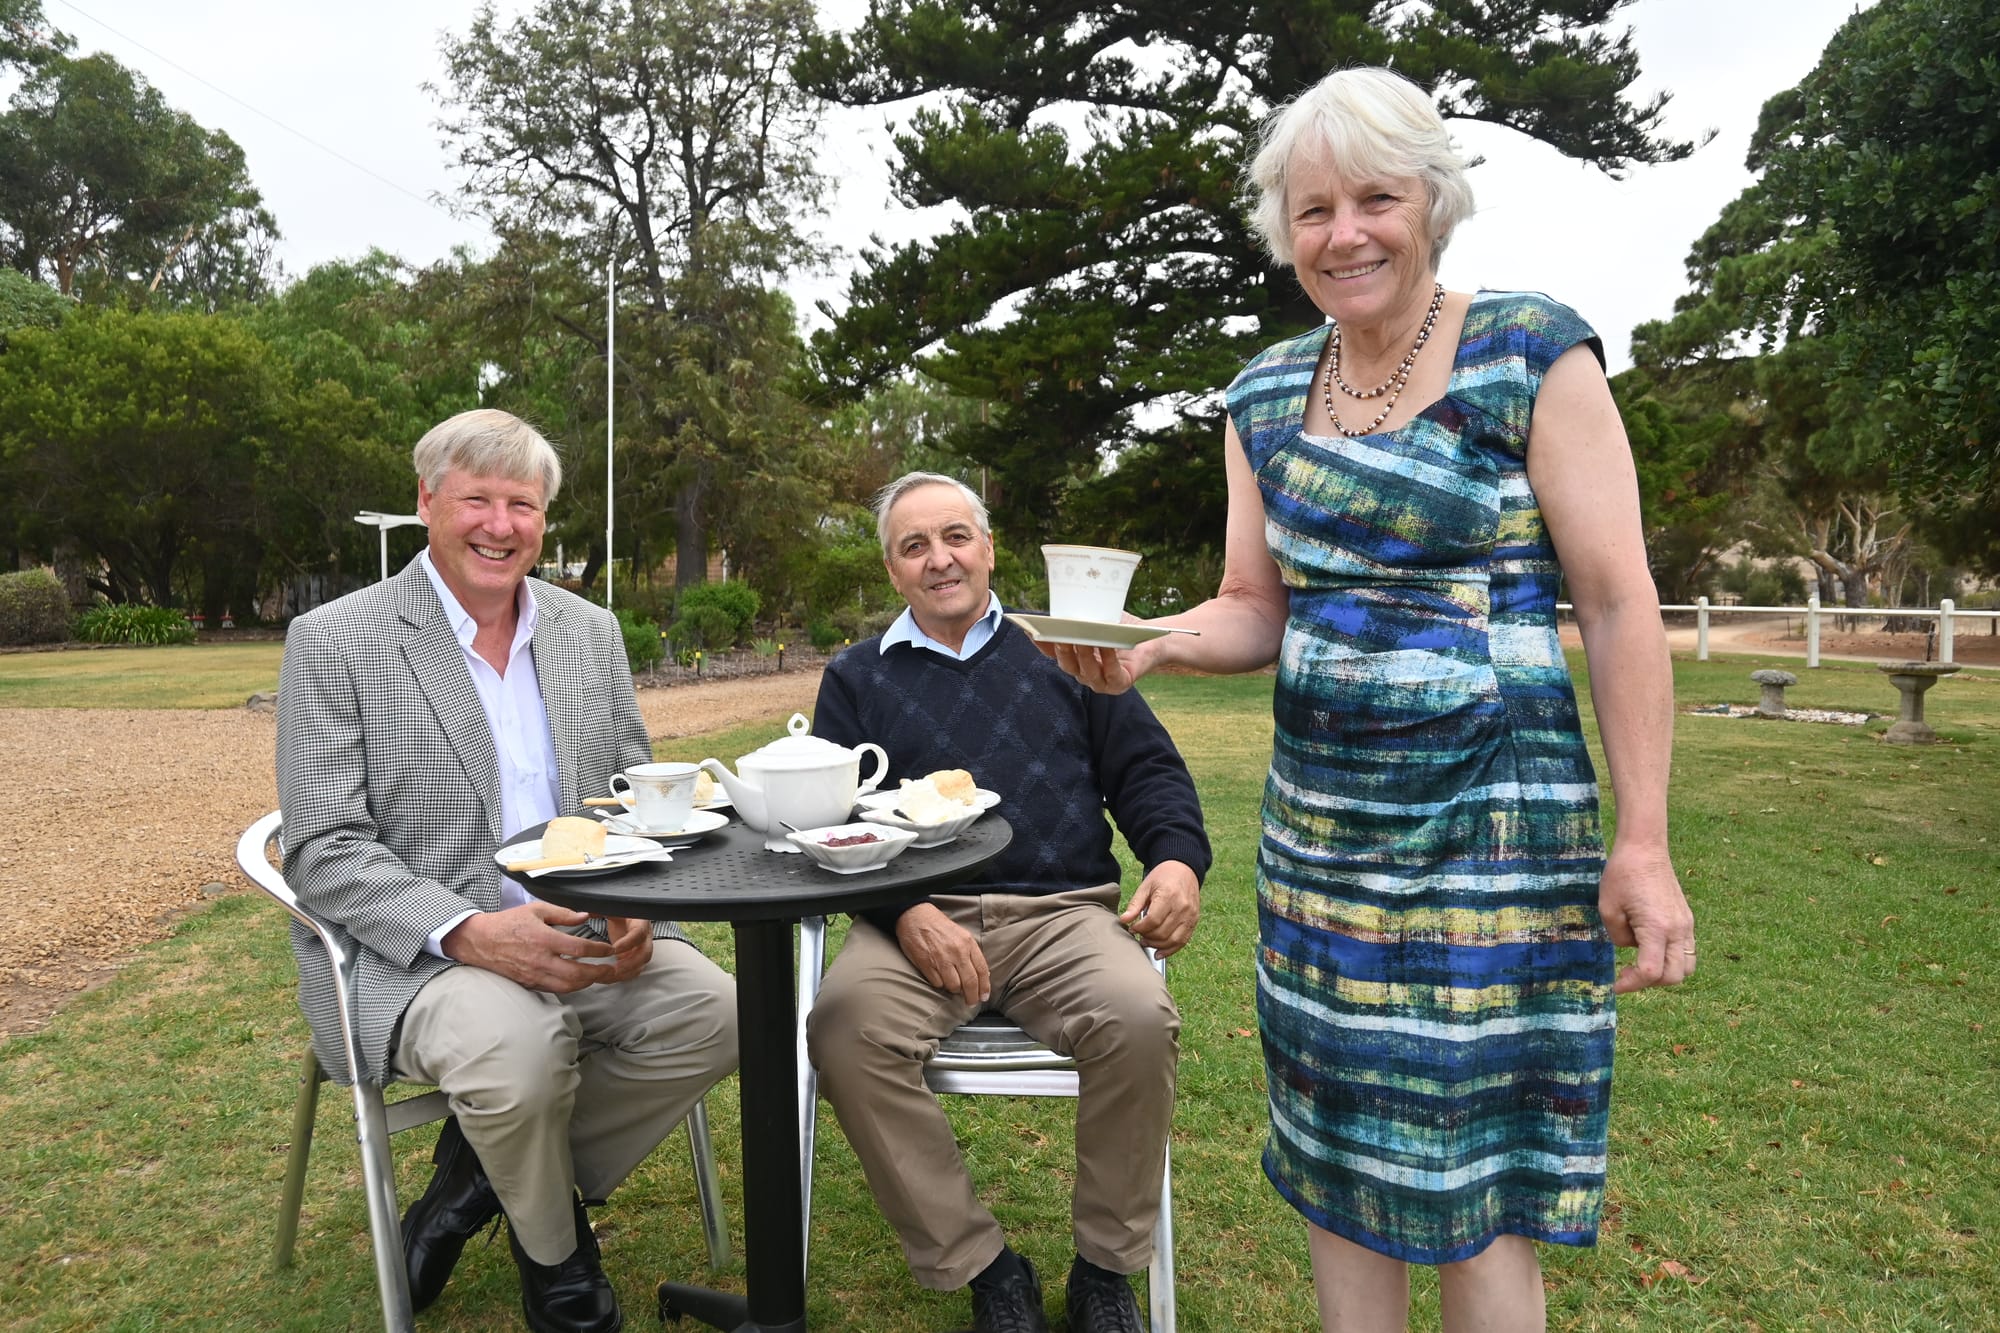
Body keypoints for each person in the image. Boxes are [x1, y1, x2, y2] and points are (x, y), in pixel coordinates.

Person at [1040, 68, 1696, 1333]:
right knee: (1341, 1172)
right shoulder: (1263, 395)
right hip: (1322, 852)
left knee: (1475, 1191)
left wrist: (1644, 841)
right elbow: (1254, 601)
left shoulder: (1528, 351)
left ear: (1432, 203)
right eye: (1311, 210)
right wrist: (1153, 643)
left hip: (1493, 848)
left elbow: (1617, 606)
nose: (1343, 234)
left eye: (1374, 200)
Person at [275, 408, 738, 1333]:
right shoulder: (336, 638)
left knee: (729, 1013)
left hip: (584, 931)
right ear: (426, 501)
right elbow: (323, 846)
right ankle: (559, 1263)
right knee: (518, 1055)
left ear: (543, 516)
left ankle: (475, 1177)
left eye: (520, 503)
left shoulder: (588, 630)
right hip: (427, 954)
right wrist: (474, 932)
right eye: (475, 498)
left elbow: (628, 795)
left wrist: (639, 900)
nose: (499, 524)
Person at [806, 472, 1211, 1333]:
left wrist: (1176, 861)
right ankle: (985, 1265)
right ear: (891, 570)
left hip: (1063, 910)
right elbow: (835, 821)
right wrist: (905, 910)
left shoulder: (1061, 649)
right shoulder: (855, 677)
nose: (939, 558)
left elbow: (1148, 772)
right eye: (914, 546)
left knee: (1138, 1016)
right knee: (842, 1027)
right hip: (914, 913)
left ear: (989, 549)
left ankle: (1105, 1271)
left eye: (955, 536)